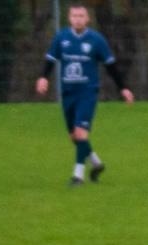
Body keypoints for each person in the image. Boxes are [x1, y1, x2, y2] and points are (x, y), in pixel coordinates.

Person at [35, 4, 133, 187]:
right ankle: (96, 163)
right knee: (75, 137)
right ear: (69, 18)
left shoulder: (96, 40)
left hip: (87, 92)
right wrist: (43, 78)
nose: (78, 19)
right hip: (68, 92)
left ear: (87, 19)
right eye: (74, 15)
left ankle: (77, 175)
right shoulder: (61, 38)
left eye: (81, 16)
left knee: (81, 132)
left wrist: (124, 88)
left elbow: (111, 66)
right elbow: (50, 60)